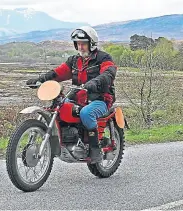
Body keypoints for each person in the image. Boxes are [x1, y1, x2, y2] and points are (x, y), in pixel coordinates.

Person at [26, 26, 117, 163]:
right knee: (60, 106)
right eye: (78, 44)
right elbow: (57, 73)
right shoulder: (74, 61)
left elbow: (108, 74)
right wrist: (40, 80)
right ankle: (69, 140)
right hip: (79, 97)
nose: (80, 47)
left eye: (83, 44)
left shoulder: (103, 58)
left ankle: (94, 149)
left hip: (100, 99)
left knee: (86, 113)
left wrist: (94, 83)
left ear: (91, 44)